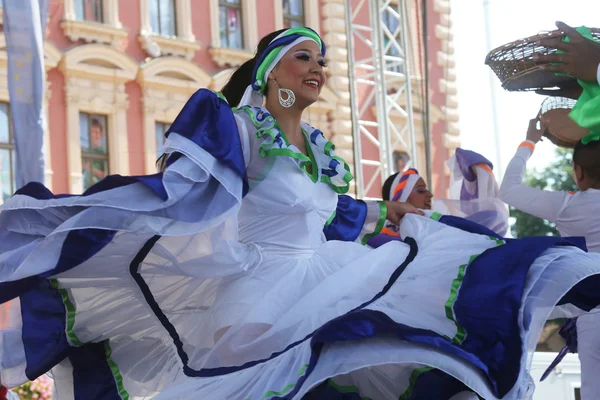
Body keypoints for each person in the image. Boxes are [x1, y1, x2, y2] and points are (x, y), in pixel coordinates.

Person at [2, 27, 600, 400]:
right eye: (304, 58)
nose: (318, 69)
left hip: (325, 275)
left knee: (426, 305)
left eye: (323, 62)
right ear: (269, 73)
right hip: (259, 293)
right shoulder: (236, 128)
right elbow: (183, 196)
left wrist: (388, 209)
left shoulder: (317, 152)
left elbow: (337, 213)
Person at [500, 116, 600, 400]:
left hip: (594, 313)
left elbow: (507, 190)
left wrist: (529, 141)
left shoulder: (569, 206)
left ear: (578, 172)